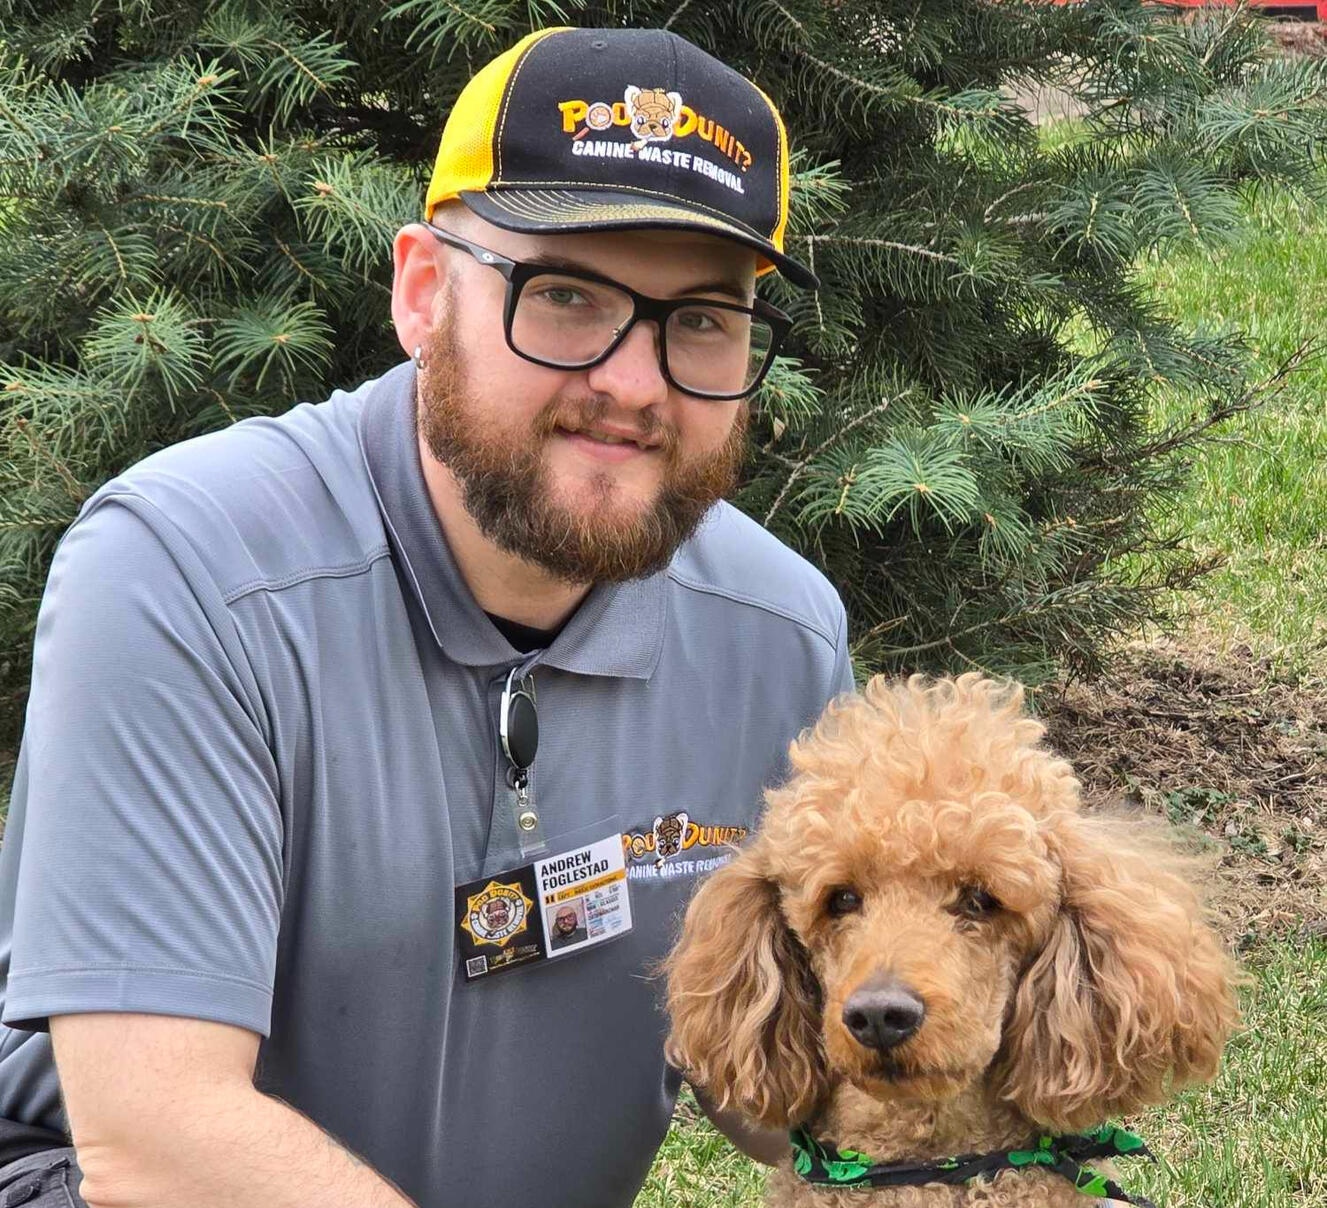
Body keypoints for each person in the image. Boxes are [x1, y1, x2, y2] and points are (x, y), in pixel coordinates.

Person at [0, 25, 853, 1208]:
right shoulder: (187, 570)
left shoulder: (779, 637)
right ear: (421, 292)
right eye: (567, 296)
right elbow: (154, 1136)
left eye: (701, 319)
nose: (634, 383)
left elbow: (793, 1085)